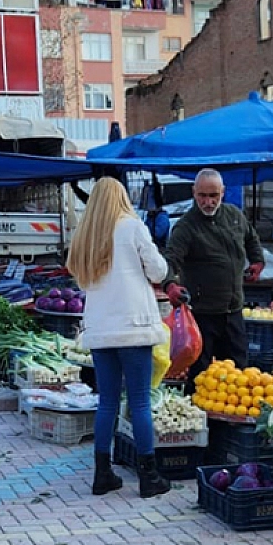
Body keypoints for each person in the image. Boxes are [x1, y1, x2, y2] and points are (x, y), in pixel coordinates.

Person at [68, 178, 172, 499]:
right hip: (134, 326)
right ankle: (148, 476)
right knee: (139, 401)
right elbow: (158, 272)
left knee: (107, 402)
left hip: (100, 330)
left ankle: (102, 475)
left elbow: (79, 277)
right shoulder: (132, 226)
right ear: (122, 197)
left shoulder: (86, 234)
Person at [163, 168, 264, 381]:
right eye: (202, 196)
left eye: (213, 196)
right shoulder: (186, 227)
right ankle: (198, 413)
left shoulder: (234, 216)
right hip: (202, 315)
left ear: (223, 192)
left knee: (239, 373)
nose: (208, 202)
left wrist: (257, 261)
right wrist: (170, 284)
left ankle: (229, 414)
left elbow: (251, 238)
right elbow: (170, 259)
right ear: (194, 192)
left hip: (233, 311)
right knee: (200, 374)